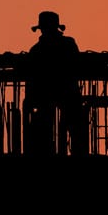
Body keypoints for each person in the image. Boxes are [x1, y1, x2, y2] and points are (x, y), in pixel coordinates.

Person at [23, 11, 85, 156]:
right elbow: (78, 65)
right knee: (73, 128)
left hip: (48, 94)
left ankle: (47, 152)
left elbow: (31, 77)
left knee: (46, 126)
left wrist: (30, 97)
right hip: (66, 92)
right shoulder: (68, 44)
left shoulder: (36, 50)